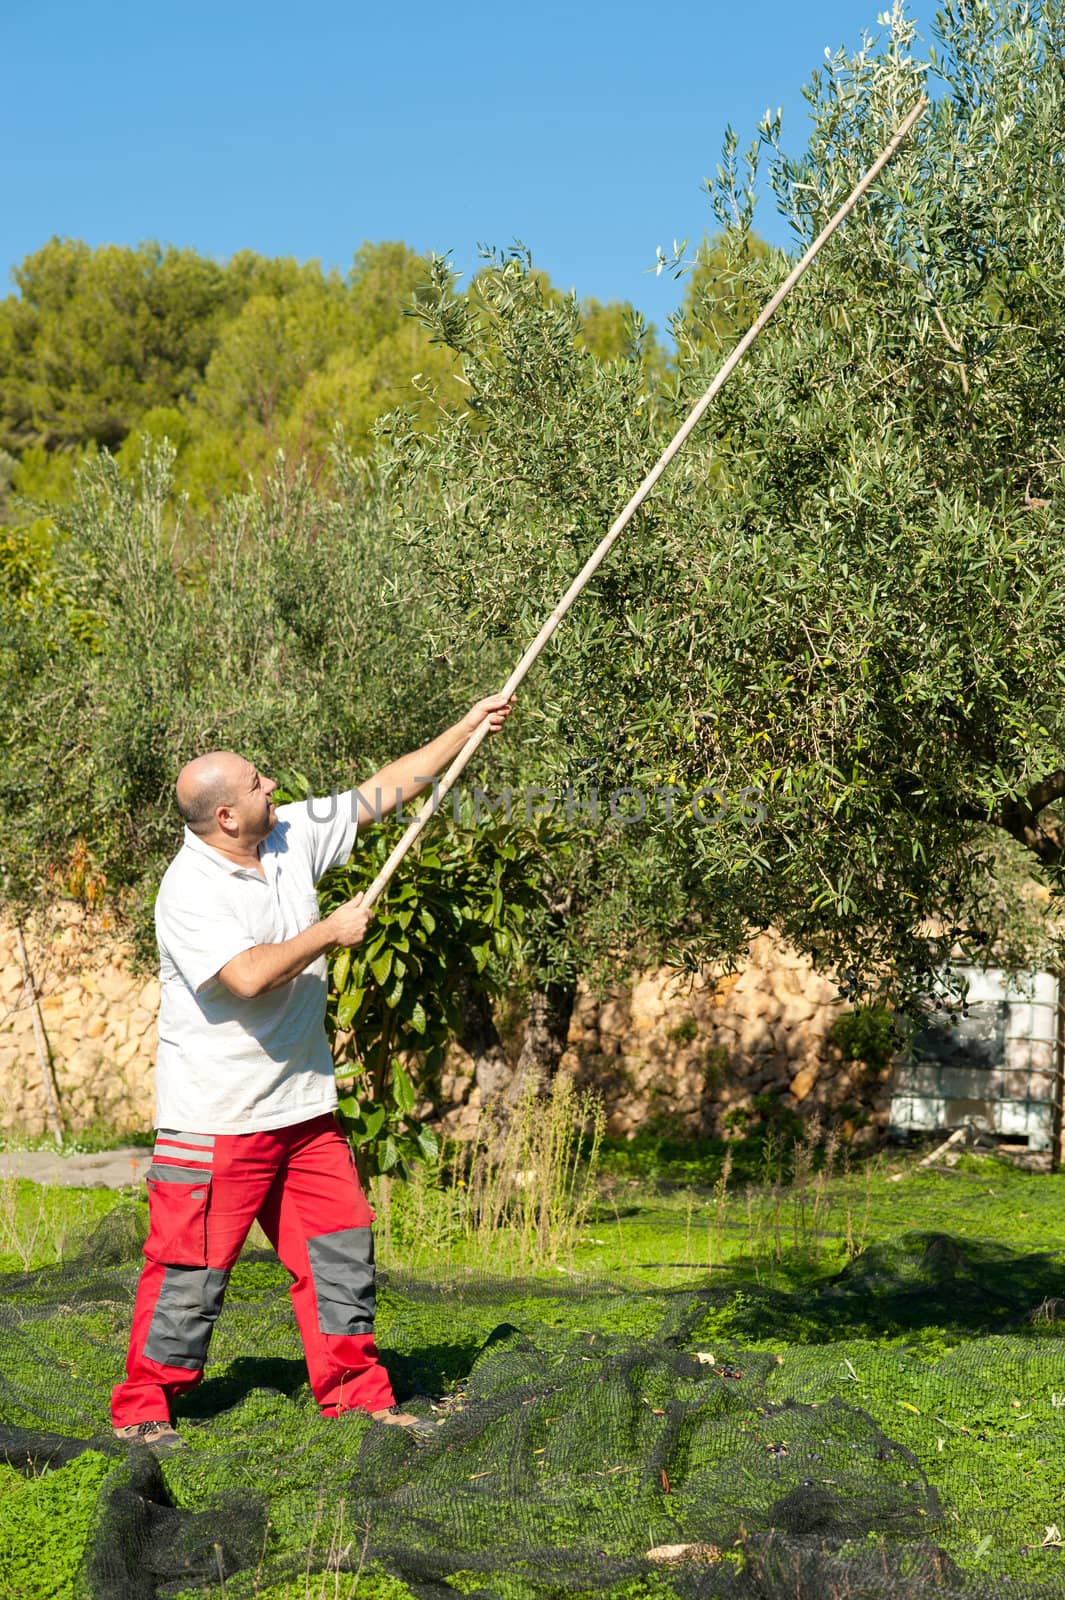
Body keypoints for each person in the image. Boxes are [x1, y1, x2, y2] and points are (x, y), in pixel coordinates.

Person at [110, 693, 515, 1452]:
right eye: (258, 783)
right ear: (225, 816)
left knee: (338, 1250)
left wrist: (464, 726)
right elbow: (246, 977)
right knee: (189, 1270)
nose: (273, 788)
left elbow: (378, 795)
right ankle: (144, 1407)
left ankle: (357, 1396)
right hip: (218, 1119)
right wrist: (330, 932)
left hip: (302, 1109)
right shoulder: (188, 891)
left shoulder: (289, 835)